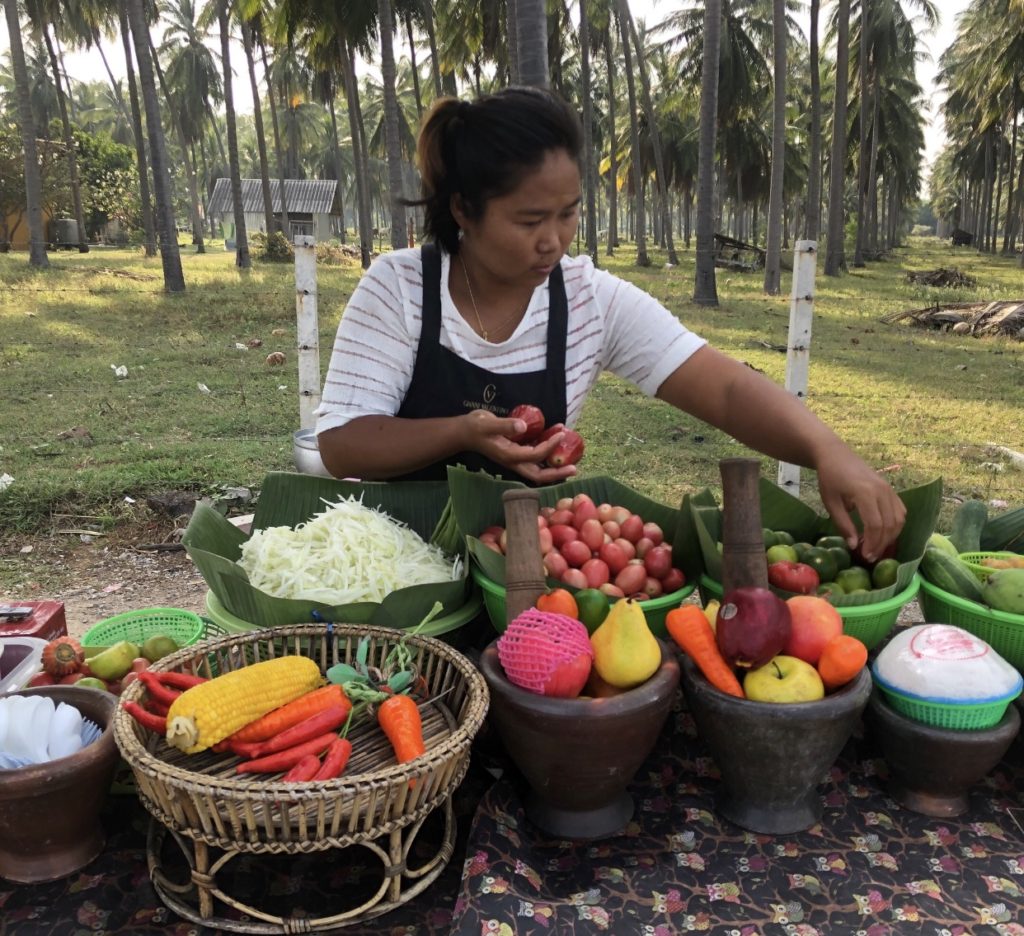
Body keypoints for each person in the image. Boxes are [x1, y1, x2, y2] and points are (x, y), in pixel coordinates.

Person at [316, 87, 905, 562]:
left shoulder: (588, 300)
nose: (553, 240)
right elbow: (344, 445)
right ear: (464, 209)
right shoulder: (400, 288)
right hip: (398, 564)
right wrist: (463, 432)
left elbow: (722, 387)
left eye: (568, 213)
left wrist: (827, 450)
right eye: (529, 220)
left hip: (534, 562)